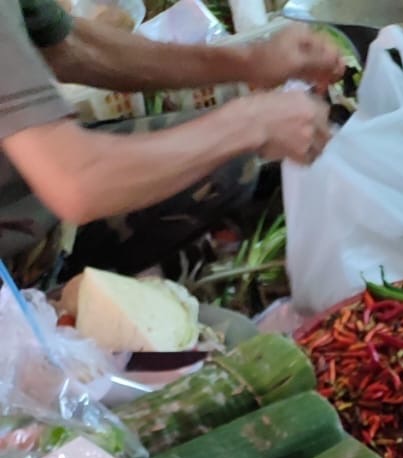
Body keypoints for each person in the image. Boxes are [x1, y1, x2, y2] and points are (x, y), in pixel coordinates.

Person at [1, 0, 344, 277]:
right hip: (20, 244)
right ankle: (51, 293)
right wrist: (254, 122)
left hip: (27, 191)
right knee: (232, 337)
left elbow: (70, 46)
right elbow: (76, 182)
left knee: (227, 165)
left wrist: (250, 61)